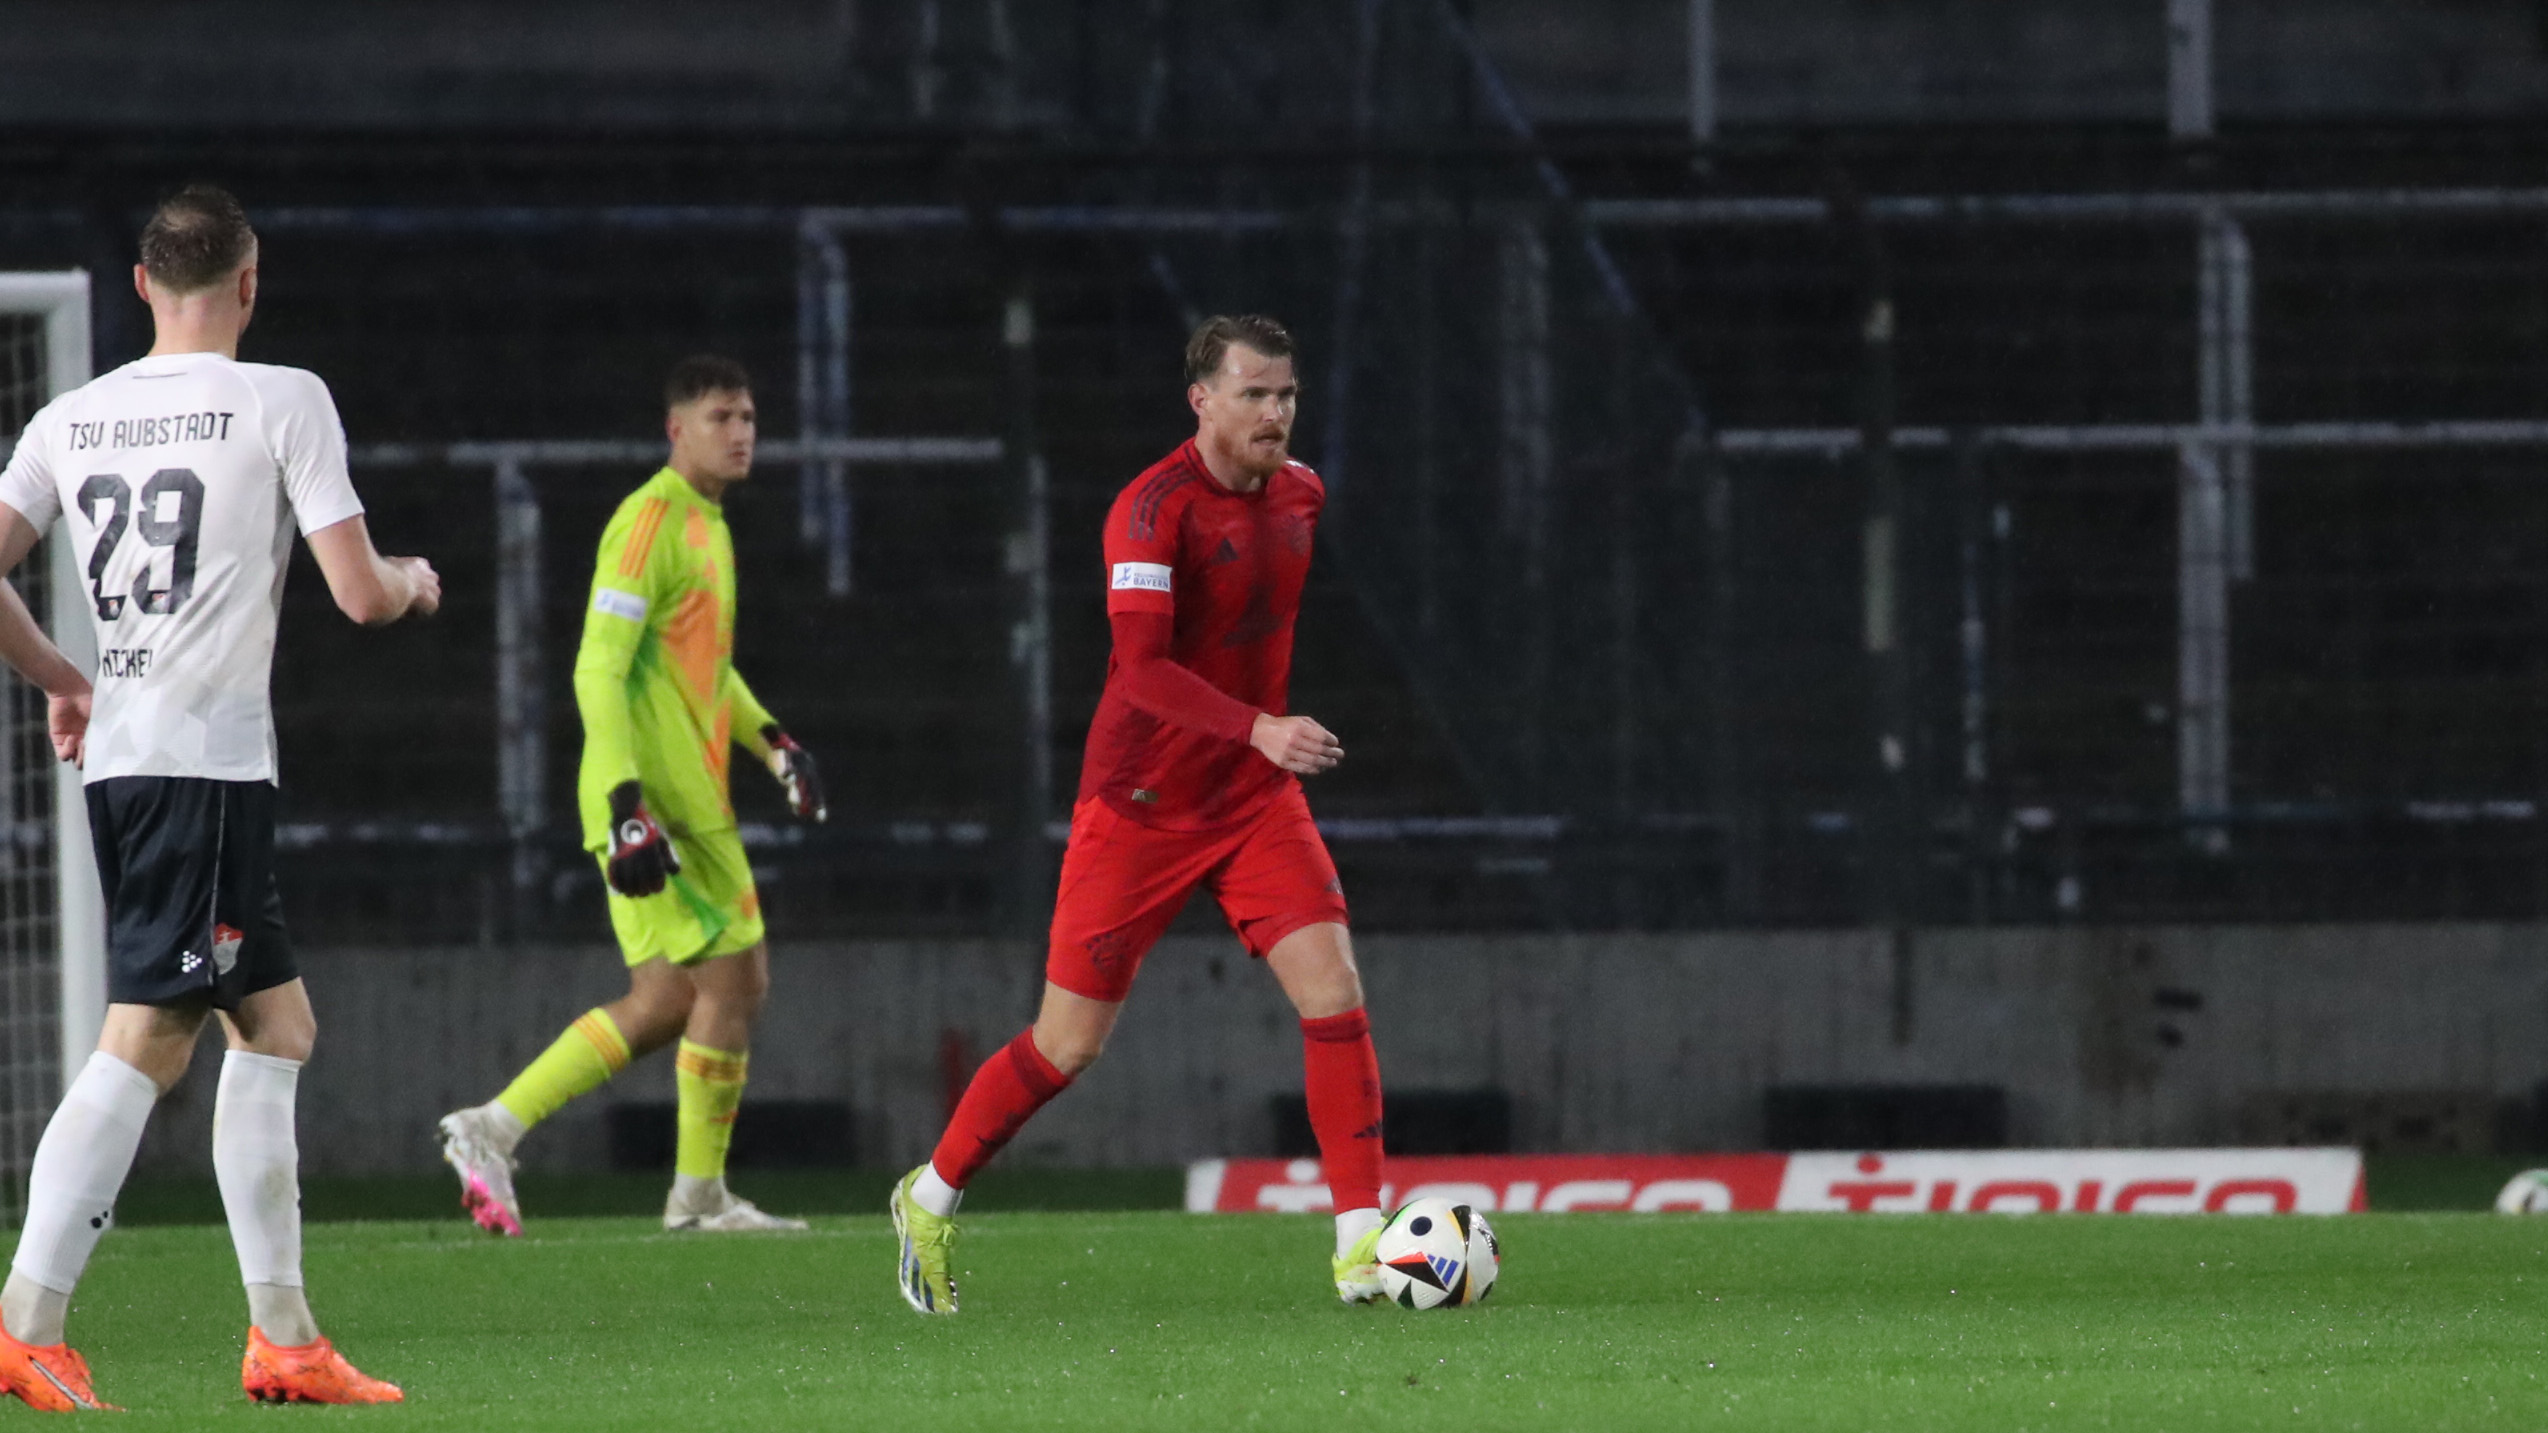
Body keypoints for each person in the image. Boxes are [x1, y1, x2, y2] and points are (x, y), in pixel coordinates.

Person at [0, 183, 432, 1409]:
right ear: (249, 282)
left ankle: (286, 1338)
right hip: (202, 768)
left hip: (140, 760)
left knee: (277, 1026)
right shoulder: (280, 397)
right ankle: (25, 1318)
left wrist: (60, 673)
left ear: (141, 286)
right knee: (146, 1036)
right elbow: (358, 593)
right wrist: (411, 578)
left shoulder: (68, 418)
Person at [890, 314, 1387, 1313]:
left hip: (1251, 801)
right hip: (1143, 805)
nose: (1275, 411)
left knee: (1332, 988)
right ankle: (928, 1194)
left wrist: (1257, 749)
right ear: (1200, 400)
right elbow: (1143, 668)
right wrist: (1261, 728)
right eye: (1253, 393)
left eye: (1286, 393)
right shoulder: (1149, 511)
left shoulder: (1302, 495)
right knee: (1067, 1045)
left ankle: (1362, 1244)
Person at [438, 355, 826, 1236]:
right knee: (739, 976)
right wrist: (625, 802)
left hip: (679, 795)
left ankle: (490, 1127)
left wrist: (775, 745)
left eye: (751, 418)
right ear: (676, 428)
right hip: (659, 801)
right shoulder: (650, 523)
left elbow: (708, 672)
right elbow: (597, 666)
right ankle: (696, 1197)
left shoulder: (710, 527)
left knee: (667, 1000)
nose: (741, 433)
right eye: (722, 416)